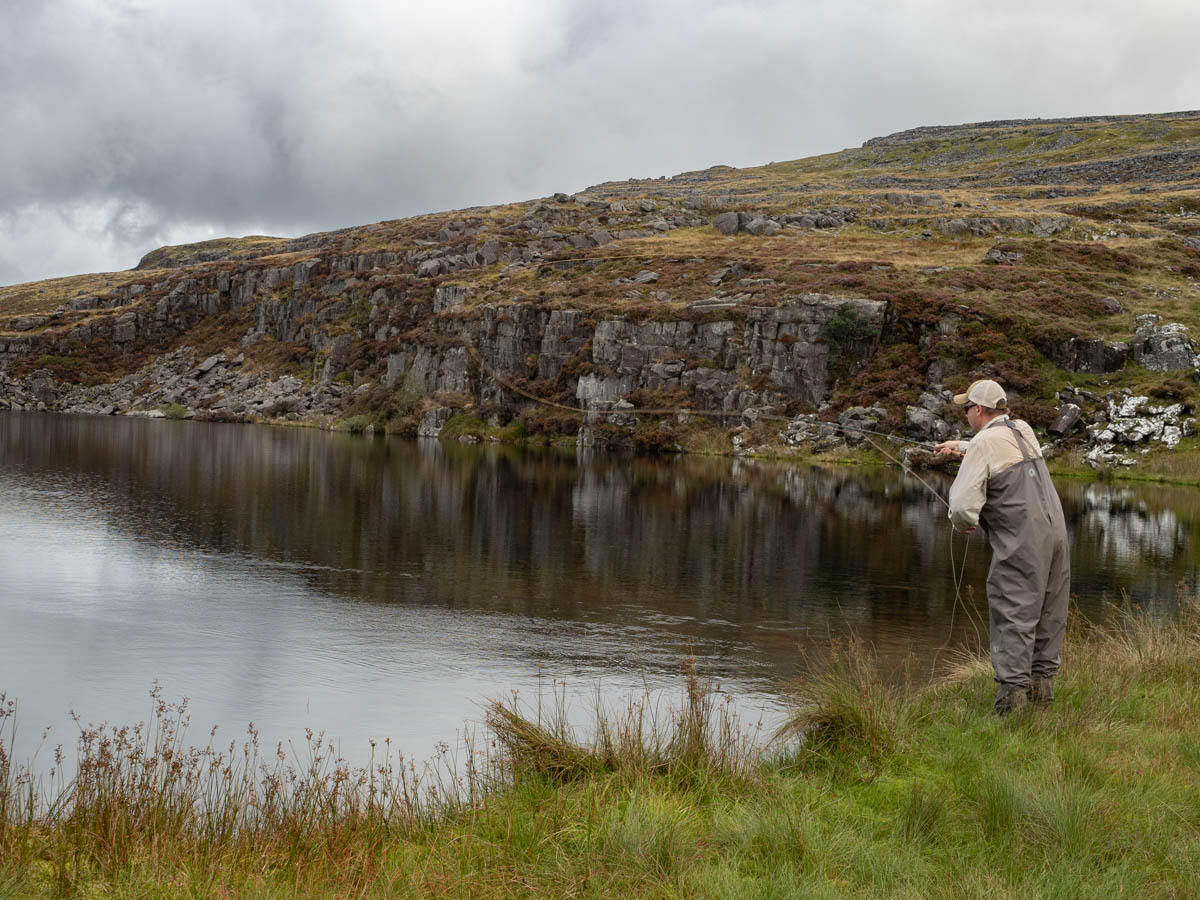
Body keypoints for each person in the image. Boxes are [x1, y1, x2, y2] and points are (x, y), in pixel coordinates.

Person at [934, 379, 1070, 714]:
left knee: (1015, 614)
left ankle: (1011, 710)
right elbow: (999, 445)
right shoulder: (1022, 429)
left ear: (978, 409)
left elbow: (964, 506)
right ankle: (1042, 702)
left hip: (1023, 541)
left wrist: (963, 524)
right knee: (1048, 615)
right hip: (1056, 536)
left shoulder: (983, 444)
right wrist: (963, 446)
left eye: (967, 408)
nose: (966, 414)